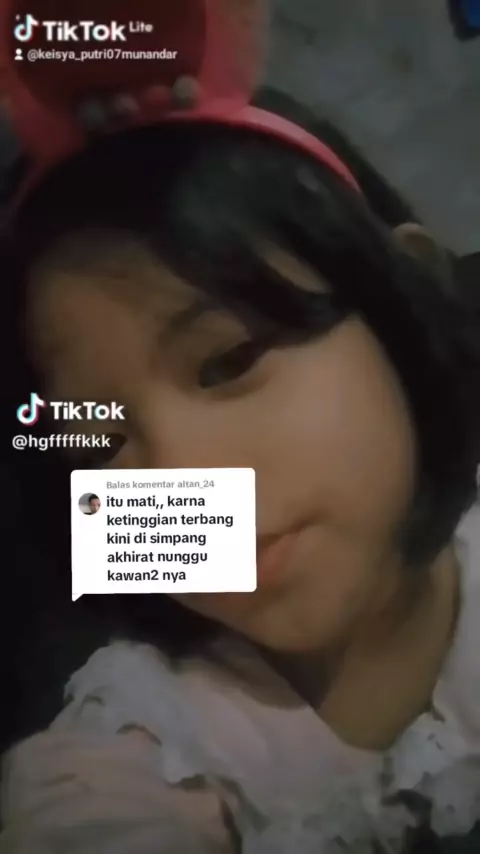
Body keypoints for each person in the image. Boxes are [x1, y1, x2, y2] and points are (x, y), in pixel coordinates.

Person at [1, 21, 480, 854]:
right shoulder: (143, 750)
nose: (177, 477)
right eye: (98, 442)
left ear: (406, 307)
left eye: (230, 359)